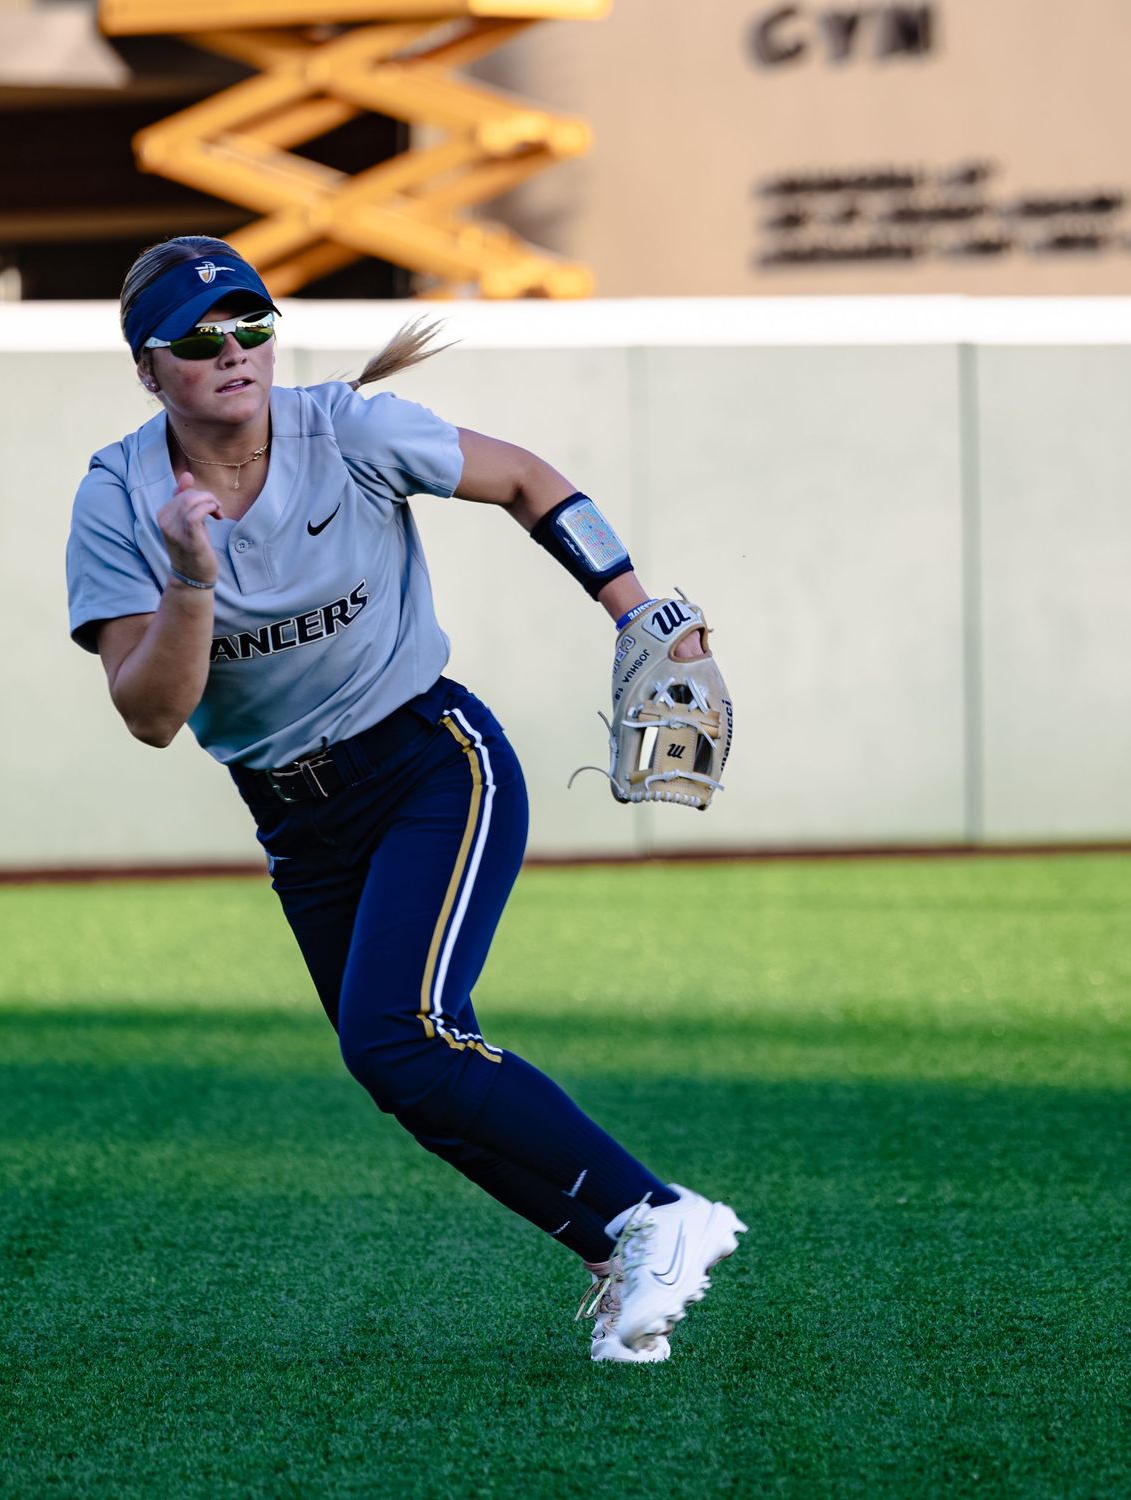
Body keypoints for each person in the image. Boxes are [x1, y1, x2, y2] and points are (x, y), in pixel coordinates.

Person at [65, 236, 746, 1364]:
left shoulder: (348, 429)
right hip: (294, 818)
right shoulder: (118, 497)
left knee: (398, 1041)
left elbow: (528, 479)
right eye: (195, 337)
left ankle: (655, 1215)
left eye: (250, 322)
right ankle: (617, 1248)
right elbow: (150, 714)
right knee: (403, 1067)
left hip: (432, 763)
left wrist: (633, 609)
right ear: (148, 369)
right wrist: (191, 579)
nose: (232, 349)